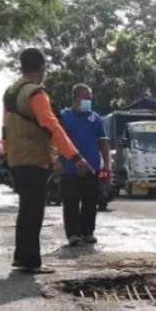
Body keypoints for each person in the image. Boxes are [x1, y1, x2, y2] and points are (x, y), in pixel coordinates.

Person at [1, 47, 93, 274]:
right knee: (33, 211)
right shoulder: (35, 93)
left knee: (27, 209)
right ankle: (30, 262)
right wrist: (75, 156)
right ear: (42, 69)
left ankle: (22, 257)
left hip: (16, 158)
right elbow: (52, 127)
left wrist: (7, 156)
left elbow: (4, 129)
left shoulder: (11, 91)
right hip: (33, 159)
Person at [57, 83, 110, 246]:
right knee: (71, 202)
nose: (88, 102)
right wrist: (56, 160)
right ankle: (73, 234)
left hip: (92, 168)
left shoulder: (95, 119)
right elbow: (55, 140)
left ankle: (87, 232)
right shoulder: (63, 117)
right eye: (85, 98)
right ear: (75, 98)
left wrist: (107, 165)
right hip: (69, 167)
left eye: (90, 99)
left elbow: (103, 143)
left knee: (90, 200)